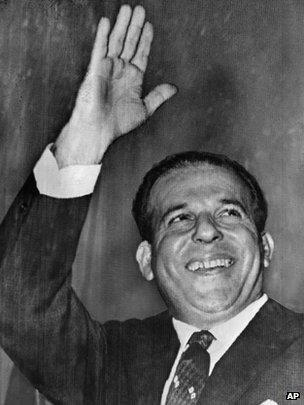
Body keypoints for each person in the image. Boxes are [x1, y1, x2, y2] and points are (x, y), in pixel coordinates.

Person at [0, 4, 303, 405]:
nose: (207, 231)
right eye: (179, 218)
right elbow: (18, 304)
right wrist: (80, 147)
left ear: (265, 248)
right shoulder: (111, 361)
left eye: (229, 212)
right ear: (145, 259)